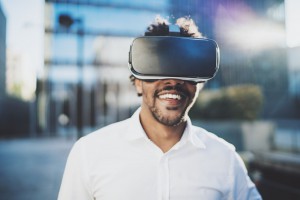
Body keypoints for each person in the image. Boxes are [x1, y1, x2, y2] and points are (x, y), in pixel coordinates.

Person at [58, 16, 262, 200]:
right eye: (158, 68)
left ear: (198, 86)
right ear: (138, 83)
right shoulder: (89, 152)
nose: (173, 81)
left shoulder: (224, 157)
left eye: (186, 70)